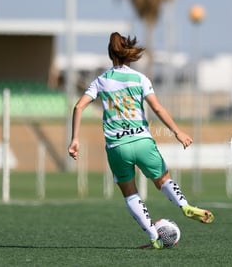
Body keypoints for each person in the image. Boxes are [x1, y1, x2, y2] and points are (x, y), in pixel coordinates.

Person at [68, 32, 214, 249]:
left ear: (110, 54)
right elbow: (157, 108)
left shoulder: (101, 81)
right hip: (143, 142)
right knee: (163, 180)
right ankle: (184, 205)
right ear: (129, 54)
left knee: (130, 193)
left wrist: (75, 139)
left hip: (117, 147)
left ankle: (153, 236)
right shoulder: (140, 79)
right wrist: (177, 132)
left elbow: (79, 106)